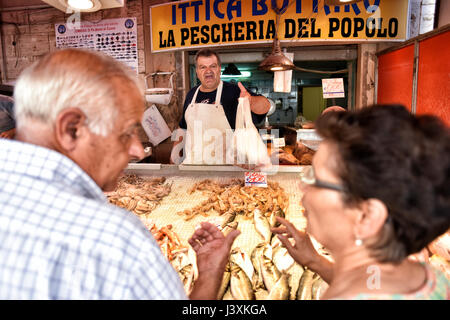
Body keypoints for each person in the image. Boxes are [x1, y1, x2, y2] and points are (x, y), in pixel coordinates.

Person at [0, 48, 240, 299]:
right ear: (71, 130)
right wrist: (211, 271)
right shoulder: (117, 239)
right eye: (126, 132)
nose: (137, 150)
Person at [272, 105, 450, 299]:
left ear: (367, 216)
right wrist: (315, 261)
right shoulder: (430, 277)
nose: (302, 188)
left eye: (315, 179)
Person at [171, 48, 270, 165]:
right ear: (197, 72)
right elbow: (183, 128)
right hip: (193, 167)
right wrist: (174, 156)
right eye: (203, 67)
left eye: (213, 66)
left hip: (227, 169)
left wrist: (250, 100)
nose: (208, 71)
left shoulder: (233, 91)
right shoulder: (191, 94)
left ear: (219, 69)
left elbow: (265, 106)